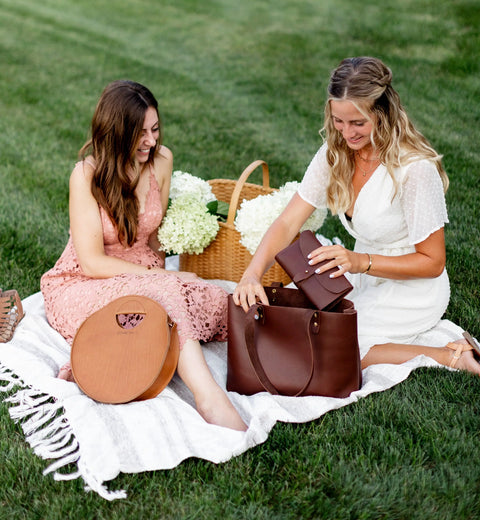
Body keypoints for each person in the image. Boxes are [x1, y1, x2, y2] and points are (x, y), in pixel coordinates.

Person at [233, 56, 480, 376]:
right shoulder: (335, 153)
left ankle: (450, 355)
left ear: (382, 113)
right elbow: (287, 222)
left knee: (332, 348)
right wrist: (252, 273)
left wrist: (360, 260)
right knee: (307, 331)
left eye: (357, 123)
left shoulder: (415, 168)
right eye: (338, 120)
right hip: (357, 275)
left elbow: (432, 263)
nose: (346, 133)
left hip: (411, 288)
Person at [41, 80, 247, 431]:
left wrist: (175, 259)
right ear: (116, 133)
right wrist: (168, 278)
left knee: (217, 302)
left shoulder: (160, 161)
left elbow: (153, 243)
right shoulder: (85, 176)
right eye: (141, 134)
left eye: (155, 129)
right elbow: (91, 261)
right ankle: (208, 396)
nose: (152, 141)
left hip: (144, 268)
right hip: (86, 280)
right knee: (163, 294)